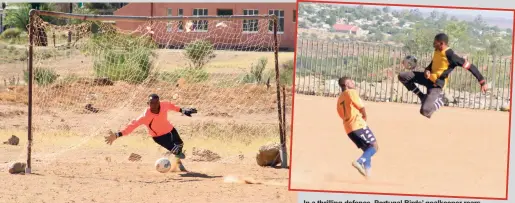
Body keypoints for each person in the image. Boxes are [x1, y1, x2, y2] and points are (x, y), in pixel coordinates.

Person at [398, 33, 488, 118]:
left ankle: (441, 100)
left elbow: (471, 67)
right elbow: (434, 63)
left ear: (442, 43)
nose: (433, 44)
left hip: (436, 84)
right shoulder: (437, 50)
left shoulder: (451, 56)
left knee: (425, 111)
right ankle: (422, 96)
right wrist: (427, 69)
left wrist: (482, 82)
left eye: (435, 43)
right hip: (427, 78)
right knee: (402, 76)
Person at [104, 93, 197, 172]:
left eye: (156, 103)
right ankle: (169, 156)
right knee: (177, 151)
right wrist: (117, 135)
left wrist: (183, 110)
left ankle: (177, 163)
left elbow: (172, 107)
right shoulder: (145, 116)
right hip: (159, 137)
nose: (154, 105)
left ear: (159, 102)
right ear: (148, 103)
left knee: (180, 145)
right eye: (151, 103)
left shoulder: (164, 105)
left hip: (170, 129)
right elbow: (131, 126)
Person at [337, 77, 378, 178]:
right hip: (358, 125)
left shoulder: (340, 98)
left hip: (348, 128)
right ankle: (358, 162)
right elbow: (360, 105)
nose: (352, 82)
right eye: (350, 81)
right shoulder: (351, 92)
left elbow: (340, 114)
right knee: (374, 146)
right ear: (345, 85)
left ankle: (368, 175)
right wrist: (364, 115)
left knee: (367, 150)